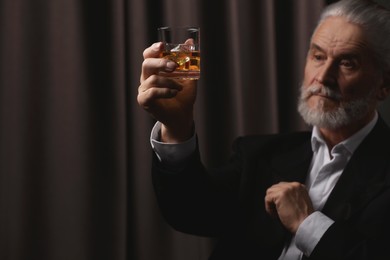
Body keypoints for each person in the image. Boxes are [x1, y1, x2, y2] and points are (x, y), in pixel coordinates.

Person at [137, 0, 390, 259]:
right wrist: (177, 128)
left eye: (347, 63)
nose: (323, 77)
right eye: (318, 56)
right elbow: (191, 214)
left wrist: (308, 224)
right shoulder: (258, 155)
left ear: (384, 84)